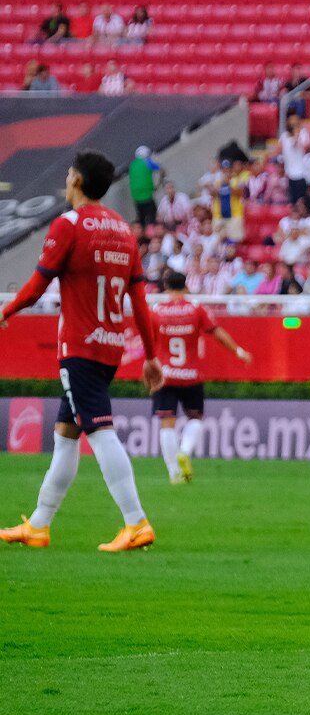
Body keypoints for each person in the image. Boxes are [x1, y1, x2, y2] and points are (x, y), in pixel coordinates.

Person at [0, 150, 164, 552]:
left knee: (100, 432)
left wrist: (6, 310)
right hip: (109, 345)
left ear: (75, 180)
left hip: (80, 346)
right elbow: (138, 301)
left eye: (69, 172)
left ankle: (136, 521)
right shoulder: (124, 230)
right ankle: (38, 524)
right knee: (66, 436)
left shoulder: (68, 225)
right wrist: (151, 355)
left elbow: (38, 285)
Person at [150, 270, 252, 484]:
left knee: (166, 423)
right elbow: (217, 332)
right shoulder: (196, 309)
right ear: (186, 286)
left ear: (166, 287)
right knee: (195, 418)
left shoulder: (157, 311)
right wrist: (239, 351)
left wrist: (148, 373)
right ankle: (185, 452)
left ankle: (174, 473)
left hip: (165, 375)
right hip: (191, 375)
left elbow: (148, 344)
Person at [128, 145, 160, 228]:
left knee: (141, 219)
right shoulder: (147, 162)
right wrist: (158, 183)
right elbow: (159, 169)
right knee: (153, 217)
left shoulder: (132, 165)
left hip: (136, 198)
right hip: (147, 196)